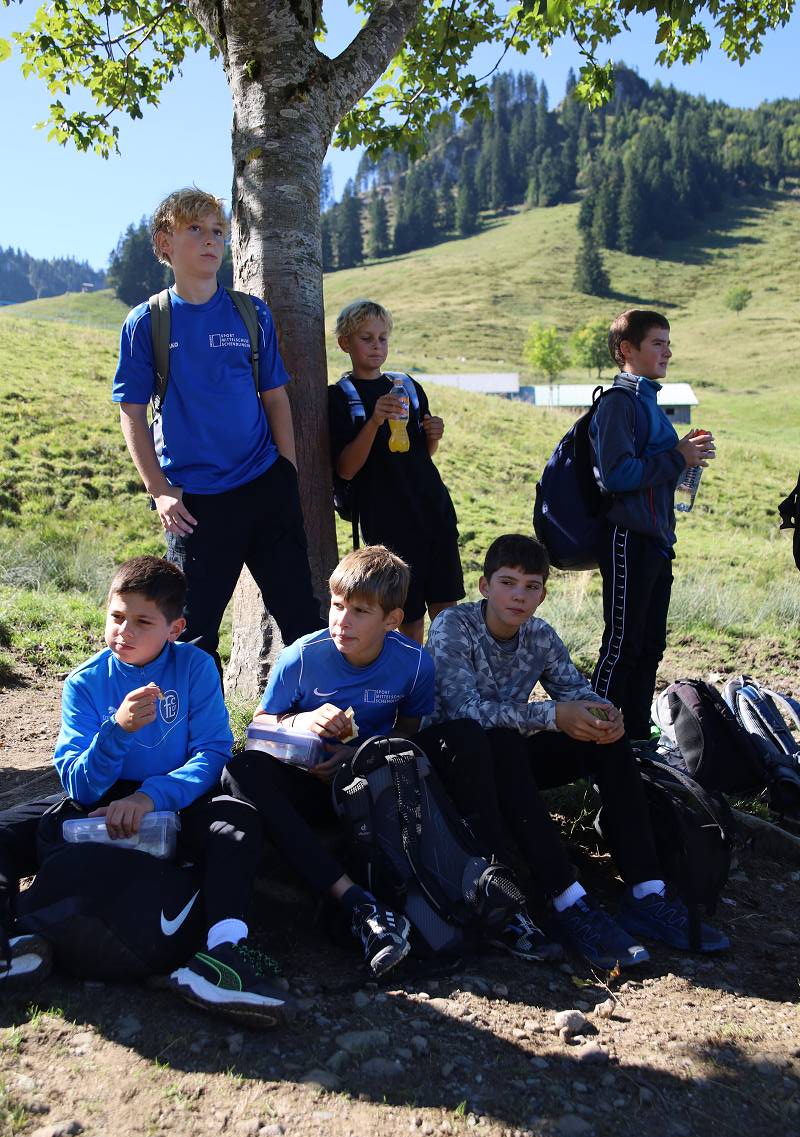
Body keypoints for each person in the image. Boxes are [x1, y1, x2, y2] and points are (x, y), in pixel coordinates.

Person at [222, 545, 559, 976]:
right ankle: (358, 904)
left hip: (378, 781)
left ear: (392, 620)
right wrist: (301, 722)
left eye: (360, 611)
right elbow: (260, 727)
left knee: (465, 736)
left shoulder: (413, 663)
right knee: (240, 771)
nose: (342, 621)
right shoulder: (302, 657)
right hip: (311, 781)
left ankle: (496, 891)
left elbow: (409, 732)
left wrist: (360, 753)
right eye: (338, 606)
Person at [0, 556, 293, 1025]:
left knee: (236, 824)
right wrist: (116, 731)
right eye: (117, 616)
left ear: (174, 628)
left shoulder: (195, 667)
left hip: (177, 798)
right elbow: (79, 784)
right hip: (101, 801)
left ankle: (223, 954)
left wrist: (151, 797)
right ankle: (10, 945)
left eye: (142, 621)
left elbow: (212, 752)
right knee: (7, 830)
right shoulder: (85, 683)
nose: (125, 631)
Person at [424, 534, 729, 969]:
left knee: (605, 738)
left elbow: (574, 692)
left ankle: (646, 891)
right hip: (454, 762)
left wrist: (605, 715)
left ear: (543, 595)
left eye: (531, 586)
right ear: (484, 586)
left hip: (508, 756)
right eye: (508, 583)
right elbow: (464, 712)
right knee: (502, 741)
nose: (518, 595)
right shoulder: (454, 625)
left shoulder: (540, 635)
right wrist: (553, 715)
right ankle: (566, 899)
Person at [112, 186, 320, 675]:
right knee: (192, 633)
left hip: (265, 487)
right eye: (195, 229)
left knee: (302, 620)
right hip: (195, 506)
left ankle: (316, 719)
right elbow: (132, 413)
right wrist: (160, 491)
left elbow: (275, 398)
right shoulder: (147, 322)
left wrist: (286, 472)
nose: (211, 240)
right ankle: (200, 723)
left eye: (218, 232)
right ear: (164, 243)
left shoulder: (251, 313)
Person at [589, 310, 715, 739]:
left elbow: (653, 473)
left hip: (657, 541)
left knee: (649, 648)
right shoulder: (618, 402)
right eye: (658, 343)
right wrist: (678, 456)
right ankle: (594, 741)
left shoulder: (649, 403)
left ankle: (637, 739)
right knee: (622, 646)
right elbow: (616, 476)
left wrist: (686, 459)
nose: (668, 352)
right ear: (627, 349)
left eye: (668, 343)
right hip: (628, 537)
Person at [328, 299, 464, 644]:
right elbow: (345, 469)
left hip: (433, 509)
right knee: (405, 615)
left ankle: (445, 674)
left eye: (382, 338)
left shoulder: (407, 386)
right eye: (366, 338)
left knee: (446, 611)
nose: (377, 346)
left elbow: (421, 454)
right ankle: (410, 675)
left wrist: (433, 436)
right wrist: (374, 420)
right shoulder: (340, 398)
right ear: (345, 343)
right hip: (387, 520)